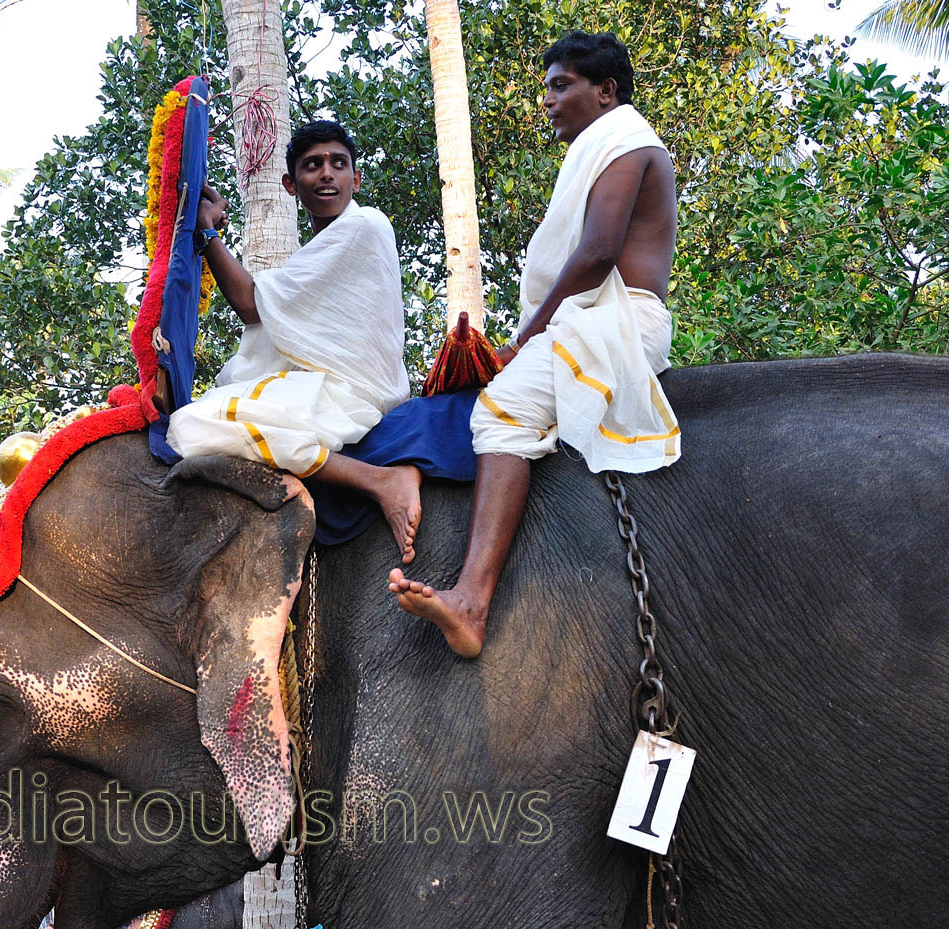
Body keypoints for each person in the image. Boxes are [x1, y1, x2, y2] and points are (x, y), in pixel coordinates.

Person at [390, 31, 681, 656]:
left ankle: (472, 600)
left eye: (561, 85)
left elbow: (599, 253)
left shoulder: (627, 142)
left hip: (622, 321)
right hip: (600, 320)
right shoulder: (611, 145)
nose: (547, 100)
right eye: (546, 87)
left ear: (606, 93)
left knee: (501, 414)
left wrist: (524, 339)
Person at [166, 120, 423, 562]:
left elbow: (250, 303)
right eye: (312, 166)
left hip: (351, 393)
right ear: (290, 184)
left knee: (197, 425)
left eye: (338, 164)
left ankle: (382, 481)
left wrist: (207, 234)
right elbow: (270, 309)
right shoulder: (318, 250)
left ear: (355, 178)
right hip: (323, 384)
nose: (327, 173)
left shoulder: (364, 226)